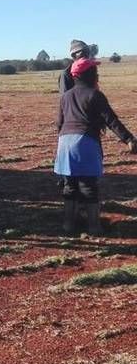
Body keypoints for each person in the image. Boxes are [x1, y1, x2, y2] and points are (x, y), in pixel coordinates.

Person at [55, 56, 137, 234]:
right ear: (89, 75)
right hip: (84, 141)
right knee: (88, 186)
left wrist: (63, 144)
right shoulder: (95, 95)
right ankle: (94, 227)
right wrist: (129, 139)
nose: (97, 74)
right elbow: (112, 121)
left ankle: (68, 225)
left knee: (70, 186)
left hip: (64, 143)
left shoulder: (65, 96)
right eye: (95, 71)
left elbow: (59, 123)